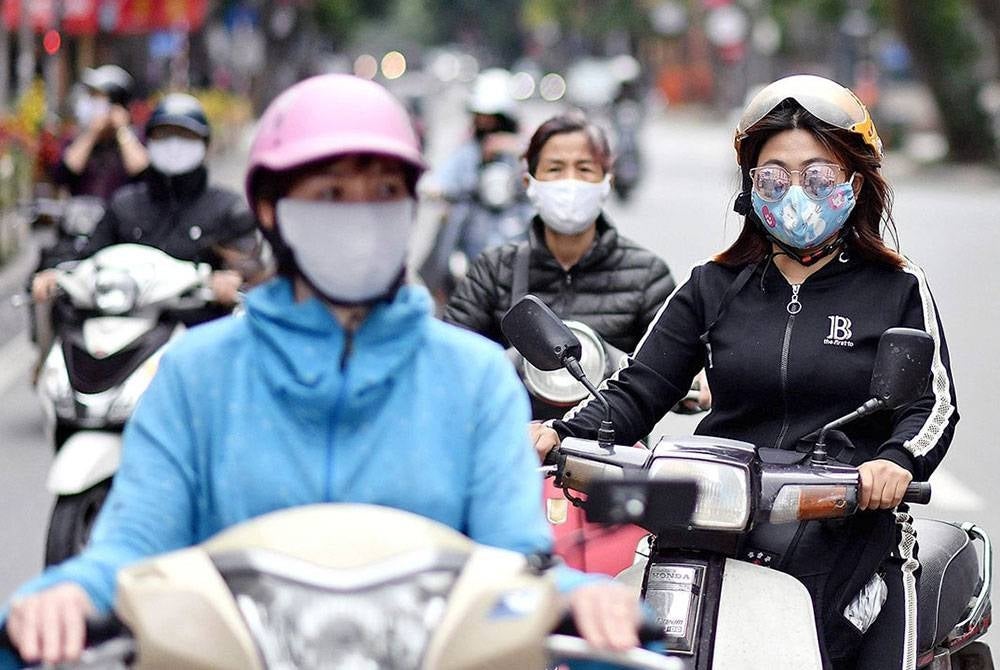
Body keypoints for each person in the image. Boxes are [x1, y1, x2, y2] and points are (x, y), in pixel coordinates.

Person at [3, 74, 641, 666]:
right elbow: (130, 545)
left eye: (383, 192)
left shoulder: (474, 378)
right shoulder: (197, 374)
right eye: (331, 193)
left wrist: (580, 597)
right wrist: (64, 594)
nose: (360, 212)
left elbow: (518, 560)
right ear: (273, 207)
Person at [530, 74, 958, 669]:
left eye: (817, 174)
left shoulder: (896, 288)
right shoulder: (713, 286)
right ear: (751, 186)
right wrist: (558, 432)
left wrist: (894, 462)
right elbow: (641, 387)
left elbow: (931, 404)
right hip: (714, 519)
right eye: (775, 175)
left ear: (854, 184)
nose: (795, 192)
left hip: (843, 523)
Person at [443, 113, 686, 419]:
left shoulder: (647, 275)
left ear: (606, 181)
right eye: (555, 169)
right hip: (515, 449)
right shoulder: (494, 270)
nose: (569, 181)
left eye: (584, 169)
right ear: (528, 182)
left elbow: (676, 372)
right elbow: (447, 362)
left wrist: (692, 385)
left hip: (612, 454)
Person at [31, 93, 267, 318]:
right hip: (125, 326)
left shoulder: (227, 208)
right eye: (164, 135)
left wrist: (233, 279)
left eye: (185, 136)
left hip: (196, 330)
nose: (174, 145)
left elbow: (251, 268)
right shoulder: (125, 204)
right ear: (150, 140)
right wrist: (58, 271)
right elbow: (88, 253)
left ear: (204, 144)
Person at [418, 68, 534, 301]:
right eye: (480, 115)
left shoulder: (525, 149)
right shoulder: (468, 151)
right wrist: (436, 189)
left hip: (517, 234)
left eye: (491, 116)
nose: (485, 122)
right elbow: (443, 178)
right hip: (472, 232)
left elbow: (545, 172)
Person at [53, 65, 149, 202]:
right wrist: (92, 133)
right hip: (82, 218)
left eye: (98, 97)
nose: (92, 103)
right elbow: (66, 171)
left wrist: (121, 130)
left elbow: (140, 170)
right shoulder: (76, 137)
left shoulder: (135, 138)